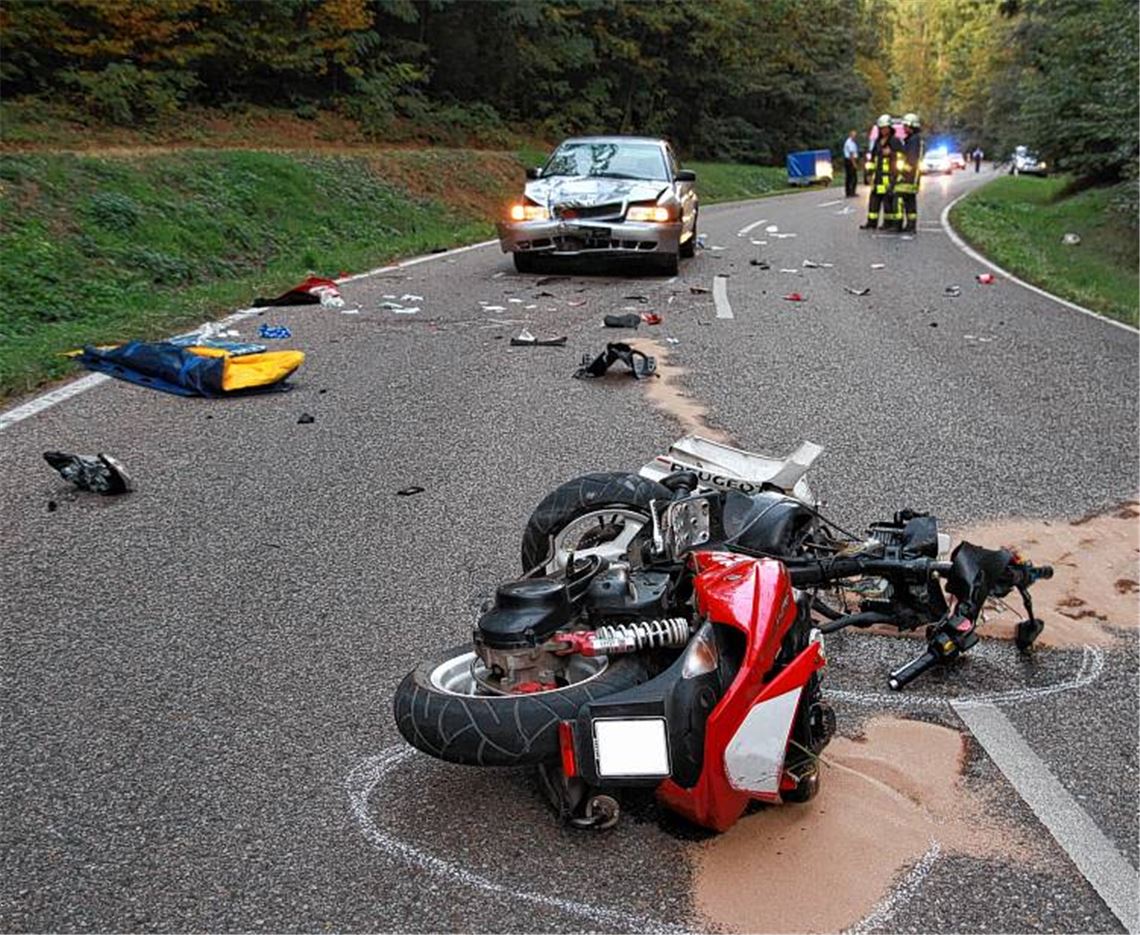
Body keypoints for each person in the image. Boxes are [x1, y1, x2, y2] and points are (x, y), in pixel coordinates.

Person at [860, 114, 899, 231]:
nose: (883, 130)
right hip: (877, 177)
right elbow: (872, 159)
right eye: (881, 128)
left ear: (890, 128)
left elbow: (901, 158)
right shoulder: (877, 142)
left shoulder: (895, 141)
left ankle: (888, 223)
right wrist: (868, 173)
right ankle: (871, 222)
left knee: (888, 202)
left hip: (889, 177)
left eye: (885, 128)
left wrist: (891, 153)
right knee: (873, 201)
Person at [895, 112, 923, 232]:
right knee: (910, 201)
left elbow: (910, 161)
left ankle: (900, 224)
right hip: (913, 176)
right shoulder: (913, 139)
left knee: (899, 199)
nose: (904, 128)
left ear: (912, 126)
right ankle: (911, 225)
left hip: (908, 177)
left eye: (905, 126)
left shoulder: (913, 140)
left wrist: (901, 174)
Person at [843, 130, 860, 197]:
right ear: (850, 135)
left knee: (850, 177)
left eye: (855, 135)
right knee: (853, 177)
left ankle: (849, 192)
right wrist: (854, 164)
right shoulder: (849, 142)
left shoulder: (852, 142)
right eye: (853, 135)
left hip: (850, 160)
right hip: (850, 161)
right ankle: (851, 192)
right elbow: (851, 154)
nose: (855, 137)